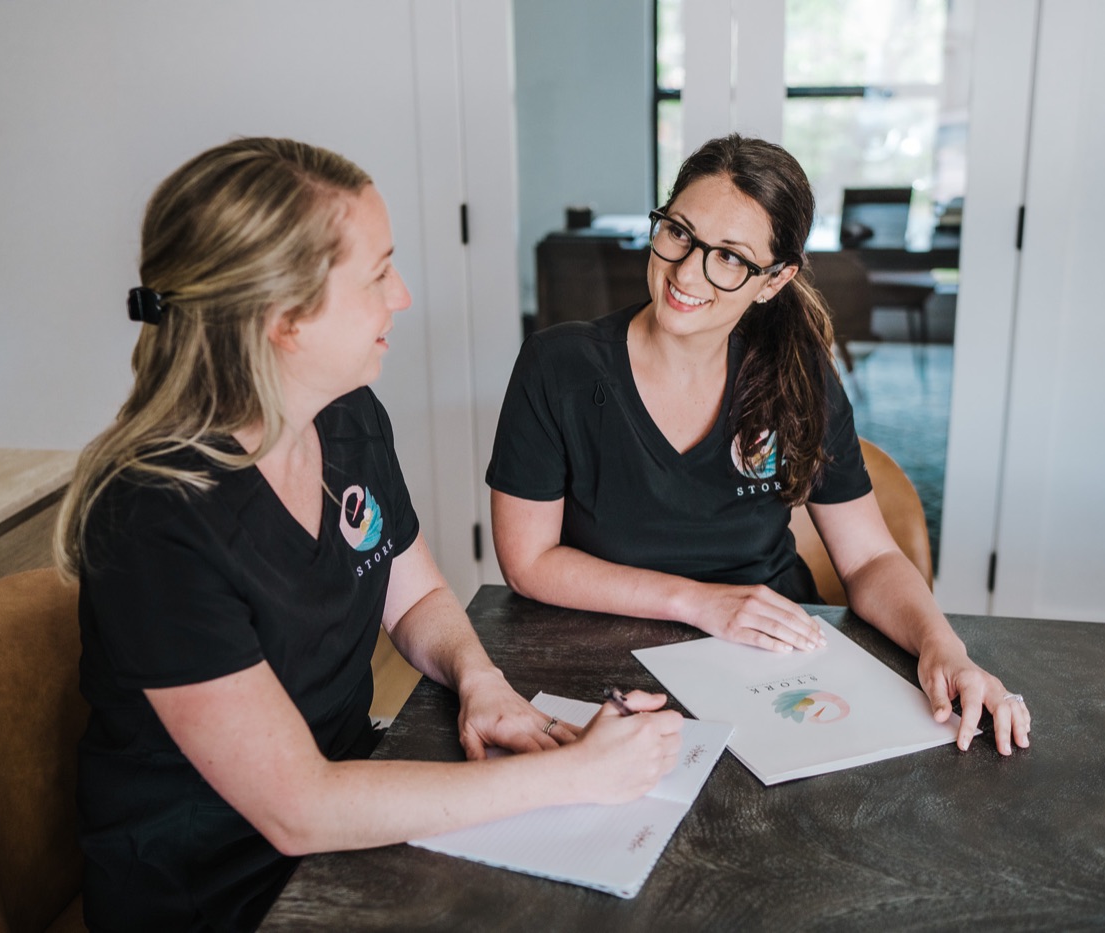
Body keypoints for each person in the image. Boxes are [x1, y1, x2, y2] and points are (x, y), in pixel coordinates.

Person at [54, 137, 682, 932]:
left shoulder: (344, 415)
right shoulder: (152, 517)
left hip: (353, 806)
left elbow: (412, 590)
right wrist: (578, 775)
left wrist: (480, 680)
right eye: (379, 272)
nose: (405, 295)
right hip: (223, 886)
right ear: (283, 318)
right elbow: (300, 810)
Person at [488, 134, 1030, 760]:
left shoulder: (796, 374)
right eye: (680, 233)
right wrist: (700, 602)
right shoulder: (559, 367)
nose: (688, 272)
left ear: (774, 281)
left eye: (731, 259)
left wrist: (944, 647)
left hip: (772, 668)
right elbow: (528, 561)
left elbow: (868, 560)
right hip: (604, 660)